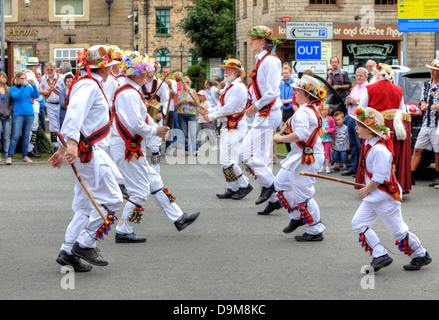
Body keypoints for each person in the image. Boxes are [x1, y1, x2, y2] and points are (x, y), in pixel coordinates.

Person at [111, 50, 199, 243]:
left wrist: (156, 128)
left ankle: (178, 218)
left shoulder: (131, 91)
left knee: (154, 182)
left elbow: (142, 118)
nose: (147, 76)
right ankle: (124, 229)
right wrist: (155, 131)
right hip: (128, 148)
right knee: (140, 192)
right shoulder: (128, 93)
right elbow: (134, 124)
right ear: (137, 74)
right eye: (145, 73)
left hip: (131, 147)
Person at [49, 45, 124, 271]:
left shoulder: (88, 84)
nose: (112, 70)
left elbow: (78, 119)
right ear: (105, 68)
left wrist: (64, 149)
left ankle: (67, 250)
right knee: (113, 200)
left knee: (84, 205)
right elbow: (74, 115)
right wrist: (70, 144)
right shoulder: (89, 85)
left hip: (86, 151)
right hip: (90, 153)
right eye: (111, 67)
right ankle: (85, 242)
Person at [350, 106, 432, 272]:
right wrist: (368, 188)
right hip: (374, 195)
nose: (356, 128)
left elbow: (380, 178)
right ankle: (380, 254)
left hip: (385, 196)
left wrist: (366, 189)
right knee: (358, 223)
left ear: (370, 129)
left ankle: (420, 253)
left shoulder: (380, 150)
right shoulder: (368, 144)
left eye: (359, 125)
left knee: (398, 232)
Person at [267, 75, 326, 241]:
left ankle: (315, 229)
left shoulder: (303, 112)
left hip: (307, 157)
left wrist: (279, 138)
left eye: (298, 90)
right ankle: (297, 215)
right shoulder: (310, 109)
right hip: (301, 155)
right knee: (280, 184)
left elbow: (301, 134)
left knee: (303, 193)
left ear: (307, 95)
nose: (295, 93)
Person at [240, 25, 282, 208]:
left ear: (263, 41)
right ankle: (275, 200)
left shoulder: (271, 61)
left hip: (269, 113)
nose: (250, 42)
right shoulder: (261, 60)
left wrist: (254, 107)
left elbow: (273, 92)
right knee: (262, 158)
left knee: (244, 153)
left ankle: (272, 186)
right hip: (263, 113)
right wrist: (251, 103)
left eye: (253, 39)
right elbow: (259, 90)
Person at [201, 59, 253, 200]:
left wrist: (210, 117)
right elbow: (220, 106)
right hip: (228, 126)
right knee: (226, 159)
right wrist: (207, 110)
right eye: (225, 69)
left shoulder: (238, 88)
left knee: (227, 160)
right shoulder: (230, 87)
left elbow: (228, 109)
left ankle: (244, 184)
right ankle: (232, 187)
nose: (225, 72)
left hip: (235, 126)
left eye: (228, 70)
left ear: (236, 72)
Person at [358, 63, 412, 194]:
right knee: (393, 155)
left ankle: (370, 184)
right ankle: (395, 184)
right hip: (395, 126)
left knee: (372, 153)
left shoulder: (370, 88)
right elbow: (402, 110)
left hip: (376, 126)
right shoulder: (398, 89)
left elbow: (361, 109)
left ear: (377, 75)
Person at [411, 59, 439, 187]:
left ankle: (437, 177)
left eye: (434, 70)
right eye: (431, 69)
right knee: (417, 149)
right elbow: (422, 98)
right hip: (426, 122)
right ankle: (410, 176)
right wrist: (423, 104)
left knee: (437, 152)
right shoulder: (427, 83)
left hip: (437, 124)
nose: (432, 72)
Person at [342, 67, 369, 177]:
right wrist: (348, 101)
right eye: (357, 75)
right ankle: (353, 167)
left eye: (360, 76)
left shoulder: (367, 88)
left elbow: (366, 104)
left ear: (366, 77)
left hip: (359, 119)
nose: (358, 77)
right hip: (351, 117)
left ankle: (360, 169)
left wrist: (355, 102)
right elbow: (350, 100)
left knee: (359, 145)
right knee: (352, 144)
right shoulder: (355, 88)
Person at [40, 62, 65, 151]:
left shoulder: (61, 77)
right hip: (49, 104)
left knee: (61, 122)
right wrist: (45, 92)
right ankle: (54, 145)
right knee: (53, 123)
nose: (49, 71)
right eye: (48, 69)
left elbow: (66, 89)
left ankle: (62, 143)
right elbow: (40, 89)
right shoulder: (43, 78)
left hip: (60, 104)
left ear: (55, 69)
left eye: (51, 69)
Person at [24, 57, 44, 158]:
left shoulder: (27, 74)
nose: (37, 68)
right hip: (33, 104)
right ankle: (29, 149)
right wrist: (45, 92)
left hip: (32, 104)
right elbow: (36, 90)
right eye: (37, 66)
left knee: (31, 128)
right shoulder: (30, 75)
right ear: (34, 66)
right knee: (33, 127)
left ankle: (29, 148)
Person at [176, 76, 199, 156]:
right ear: (181, 83)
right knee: (185, 133)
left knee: (192, 133)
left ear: (190, 83)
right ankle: (186, 150)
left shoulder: (193, 92)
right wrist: (180, 102)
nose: (186, 84)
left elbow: (197, 104)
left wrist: (191, 101)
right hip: (181, 114)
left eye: (187, 82)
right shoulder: (179, 93)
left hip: (191, 114)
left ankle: (195, 150)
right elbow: (175, 106)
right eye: (184, 82)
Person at [280, 65, 295, 153]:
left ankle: (294, 151)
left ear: (290, 73)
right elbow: (280, 99)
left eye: (286, 73)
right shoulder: (281, 85)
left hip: (292, 110)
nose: (285, 75)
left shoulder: (294, 84)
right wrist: (285, 101)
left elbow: (295, 99)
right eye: (283, 73)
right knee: (285, 131)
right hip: (284, 111)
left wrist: (287, 100)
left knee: (292, 131)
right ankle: (289, 152)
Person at [319, 104, 335, 174]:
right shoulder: (319, 119)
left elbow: (334, 128)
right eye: (323, 110)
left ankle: (327, 166)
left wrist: (328, 131)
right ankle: (321, 166)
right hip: (320, 139)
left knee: (327, 152)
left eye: (326, 110)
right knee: (320, 153)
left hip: (328, 139)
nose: (324, 111)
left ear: (328, 111)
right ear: (320, 111)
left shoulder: (330, 119)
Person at [0, 72, 13, 161]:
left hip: (7, 116)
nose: (4, 78)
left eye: (5, 77)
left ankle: (7, 155)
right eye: (2, 77)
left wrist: (10, 109)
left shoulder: (9, 89)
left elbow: (12, 102)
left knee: (6, 137)